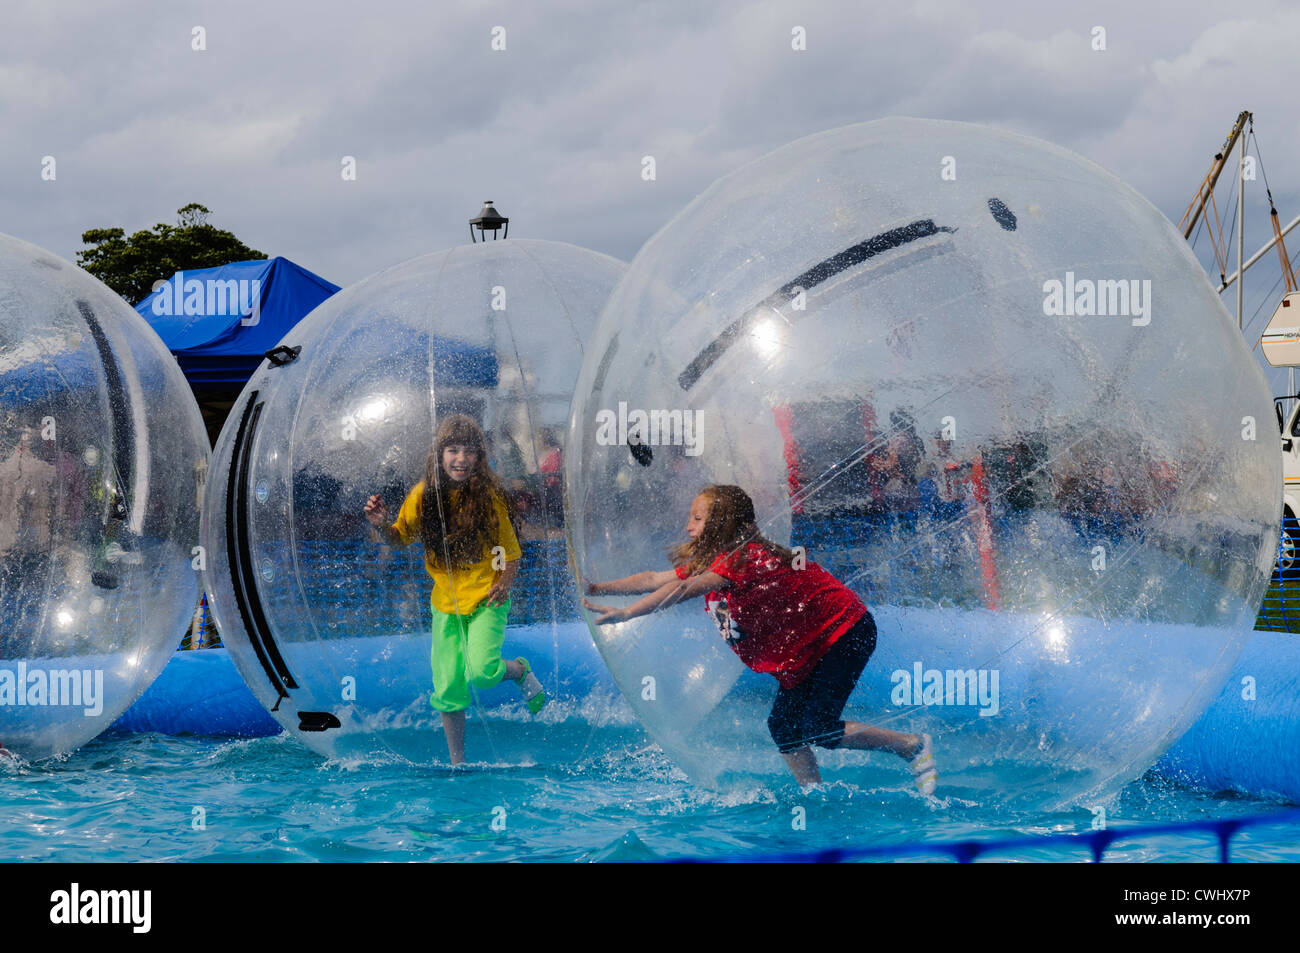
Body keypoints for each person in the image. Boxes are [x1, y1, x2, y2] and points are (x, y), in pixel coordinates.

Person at [583, 484, 937, 792]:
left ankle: (912, 746)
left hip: (842, 632)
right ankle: (813, 797)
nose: (688, 526)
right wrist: (600, 588)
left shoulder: (741, 560)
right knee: (784, 727)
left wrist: (628, 614)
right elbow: (651, 579)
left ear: (721, 524)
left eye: (697, 518)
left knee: (818, 726)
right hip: (809, 646)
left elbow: (682, 589)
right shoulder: (719, 559)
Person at [364, 414, 547, 765]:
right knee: (448, 687)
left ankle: (519, 670)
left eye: (468, 451)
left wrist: (504, 583)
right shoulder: (423, 496)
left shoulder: (489, 496)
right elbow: (400, 539)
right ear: (439, 454)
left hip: (487, 598)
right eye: (452, 450)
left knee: (482, 672)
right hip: (446, 604)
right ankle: (457, 763)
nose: (460, 459)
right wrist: (381, 526)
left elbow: (511, 551)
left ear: (479, 457)